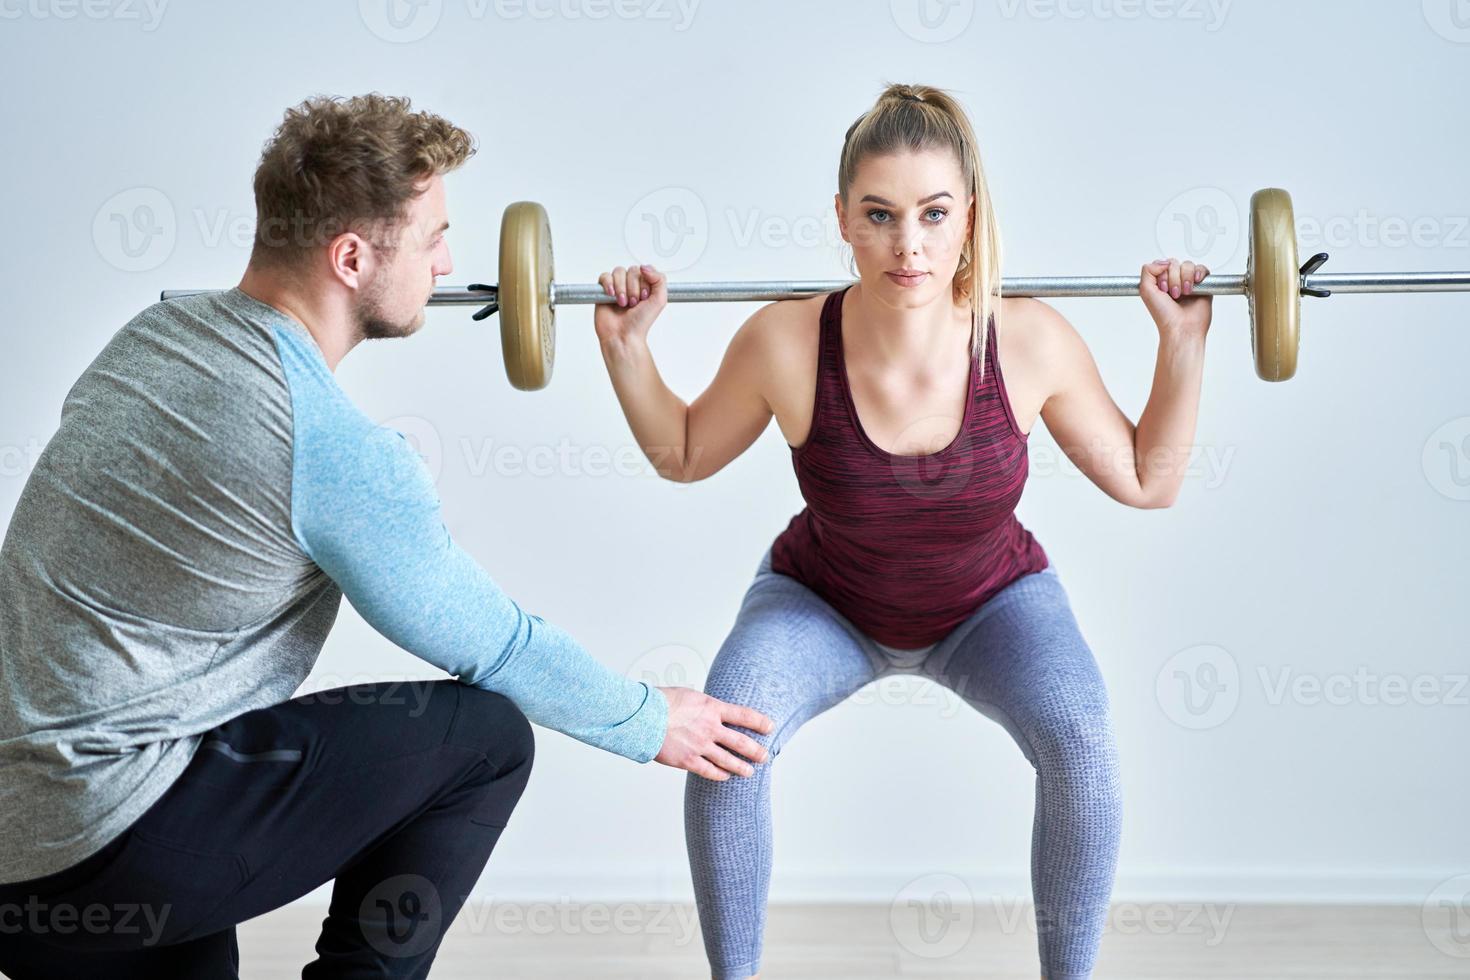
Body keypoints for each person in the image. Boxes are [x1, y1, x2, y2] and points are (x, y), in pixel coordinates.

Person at [0, 92, 773, 979]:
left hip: (27, 864)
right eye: (434, 235)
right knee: (484, 737)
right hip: (113, 839)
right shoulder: (323, 442)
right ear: (353, 257)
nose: (449, 264)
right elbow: (491, 642)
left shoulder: (153, 339)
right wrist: (645, 719)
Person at [593, 82, 1212, 979]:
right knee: (727, 743)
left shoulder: (1028, 340)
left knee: (1081, 733)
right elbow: (684, 452)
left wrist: (1182, 344)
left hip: (992, 603)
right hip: (823, 603)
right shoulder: (787, 341)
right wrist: (627, 350)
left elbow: (1151, 481)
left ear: (968, 218)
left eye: (932, 213)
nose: (908, 244)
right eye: (879, 215)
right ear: (842, 218)